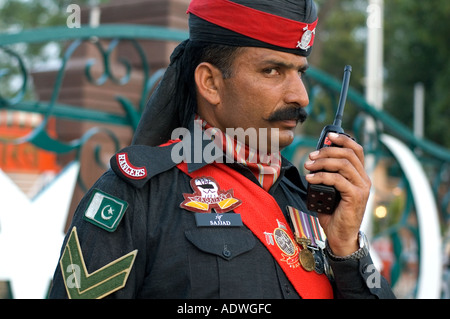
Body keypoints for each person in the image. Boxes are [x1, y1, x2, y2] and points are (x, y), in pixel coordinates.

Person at [49, 0, 395, 299]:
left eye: (299, 72)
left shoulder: (308, 201)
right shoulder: (138, 195)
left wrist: (347, 248)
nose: (300, 96)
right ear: (211, 83)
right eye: (272, 70)